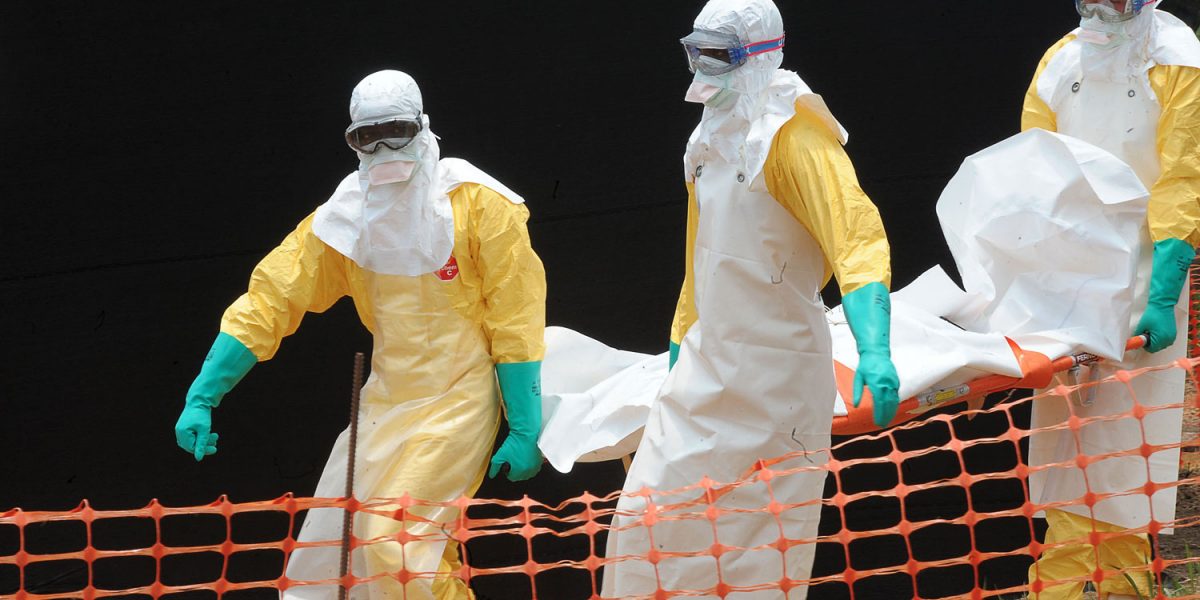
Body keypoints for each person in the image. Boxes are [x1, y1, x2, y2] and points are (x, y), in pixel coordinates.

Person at [172, 69, 546, 599]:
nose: (384, 147)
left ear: (422, 125)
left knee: (393, 541)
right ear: (351, 140)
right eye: (367, 135)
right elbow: (273, 298)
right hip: (384, 404)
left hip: (459, 397)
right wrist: (204, 392)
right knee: (340, 557)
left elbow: (516, 315)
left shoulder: (479, 204)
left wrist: (524, 424)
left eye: (396, 129)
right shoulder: (344, 218)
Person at [601, 0, 899, 597]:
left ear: (760, 55)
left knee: (756, 556)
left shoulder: (796, 139)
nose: (704, 71)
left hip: (778, 382)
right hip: (709, 371)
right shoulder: (707, 143)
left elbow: (856, 240)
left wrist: (875, 348)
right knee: (645, 523)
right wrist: (678, 345)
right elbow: (699, 257)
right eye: (697, 53)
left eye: (720, 56)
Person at [1022, 1, 1200, 598]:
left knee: (1120, 468)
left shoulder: (1178, 62)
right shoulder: (1059, 61)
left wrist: (1166, 287)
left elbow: (1183, 178)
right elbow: (1031, 172)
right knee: (1066, 464)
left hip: (1142, 287)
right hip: (1066, 285)